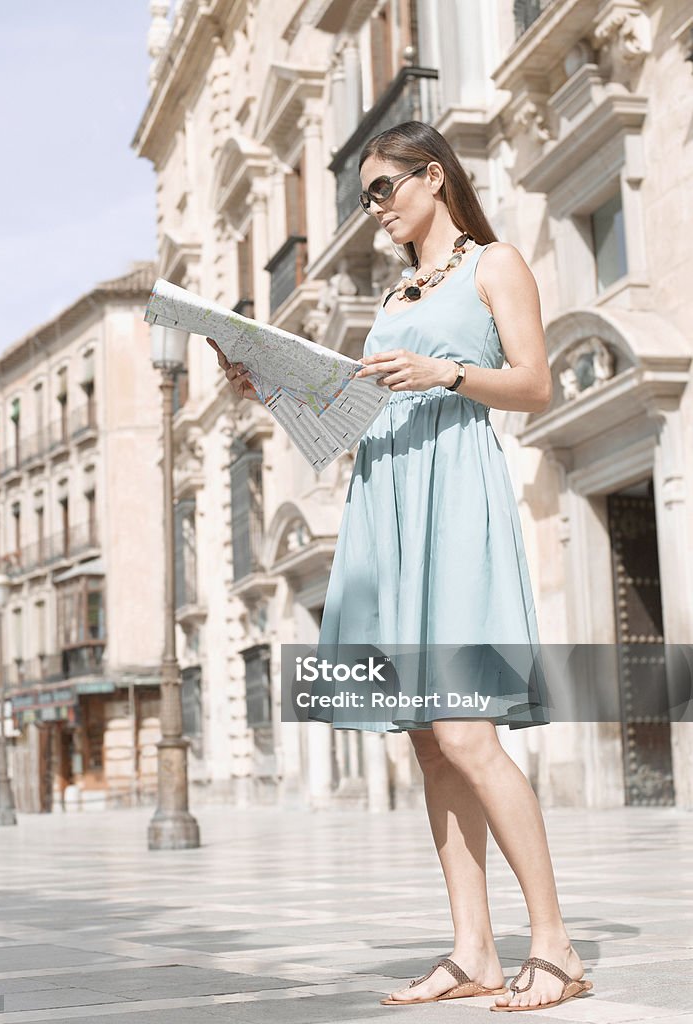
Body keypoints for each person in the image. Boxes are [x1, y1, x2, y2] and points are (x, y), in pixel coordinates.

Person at [208, 120, 593, 1013]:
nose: (372, 209)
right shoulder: (392, 298)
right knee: (426, 743)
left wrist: (444, 372)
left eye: (381, 190)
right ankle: (472, 952)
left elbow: (534, 384)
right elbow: (353, 410)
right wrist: (266, 386)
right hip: (386, 501)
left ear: (432, 178)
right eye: (365, 198)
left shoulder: (493, 265)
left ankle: (555, 945)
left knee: (465, 732)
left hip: (453, 499)